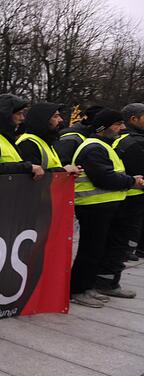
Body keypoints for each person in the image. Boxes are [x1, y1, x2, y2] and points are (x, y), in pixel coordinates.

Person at [69, 109, 144, 307]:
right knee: (89, 250)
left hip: (102, 206)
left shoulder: (103, 146)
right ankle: (77, 289)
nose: (122, 127)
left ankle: (87, 287)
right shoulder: (94, 147)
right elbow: (104, 177)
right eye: (118, 124)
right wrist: (131, 181)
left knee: (96, 249)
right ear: (104, 127)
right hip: (93, 207)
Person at [0, 94, 45, 179]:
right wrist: (27, 167)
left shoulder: (3, 136)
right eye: (18, 114)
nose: (22, 118)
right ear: (5, 115)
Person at [115, 103, 144, 260]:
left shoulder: (123, 138)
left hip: (128, 191)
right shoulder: (135, 142)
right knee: (131, 226)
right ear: (133, 119)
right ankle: (129, 250)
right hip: (133, 192)